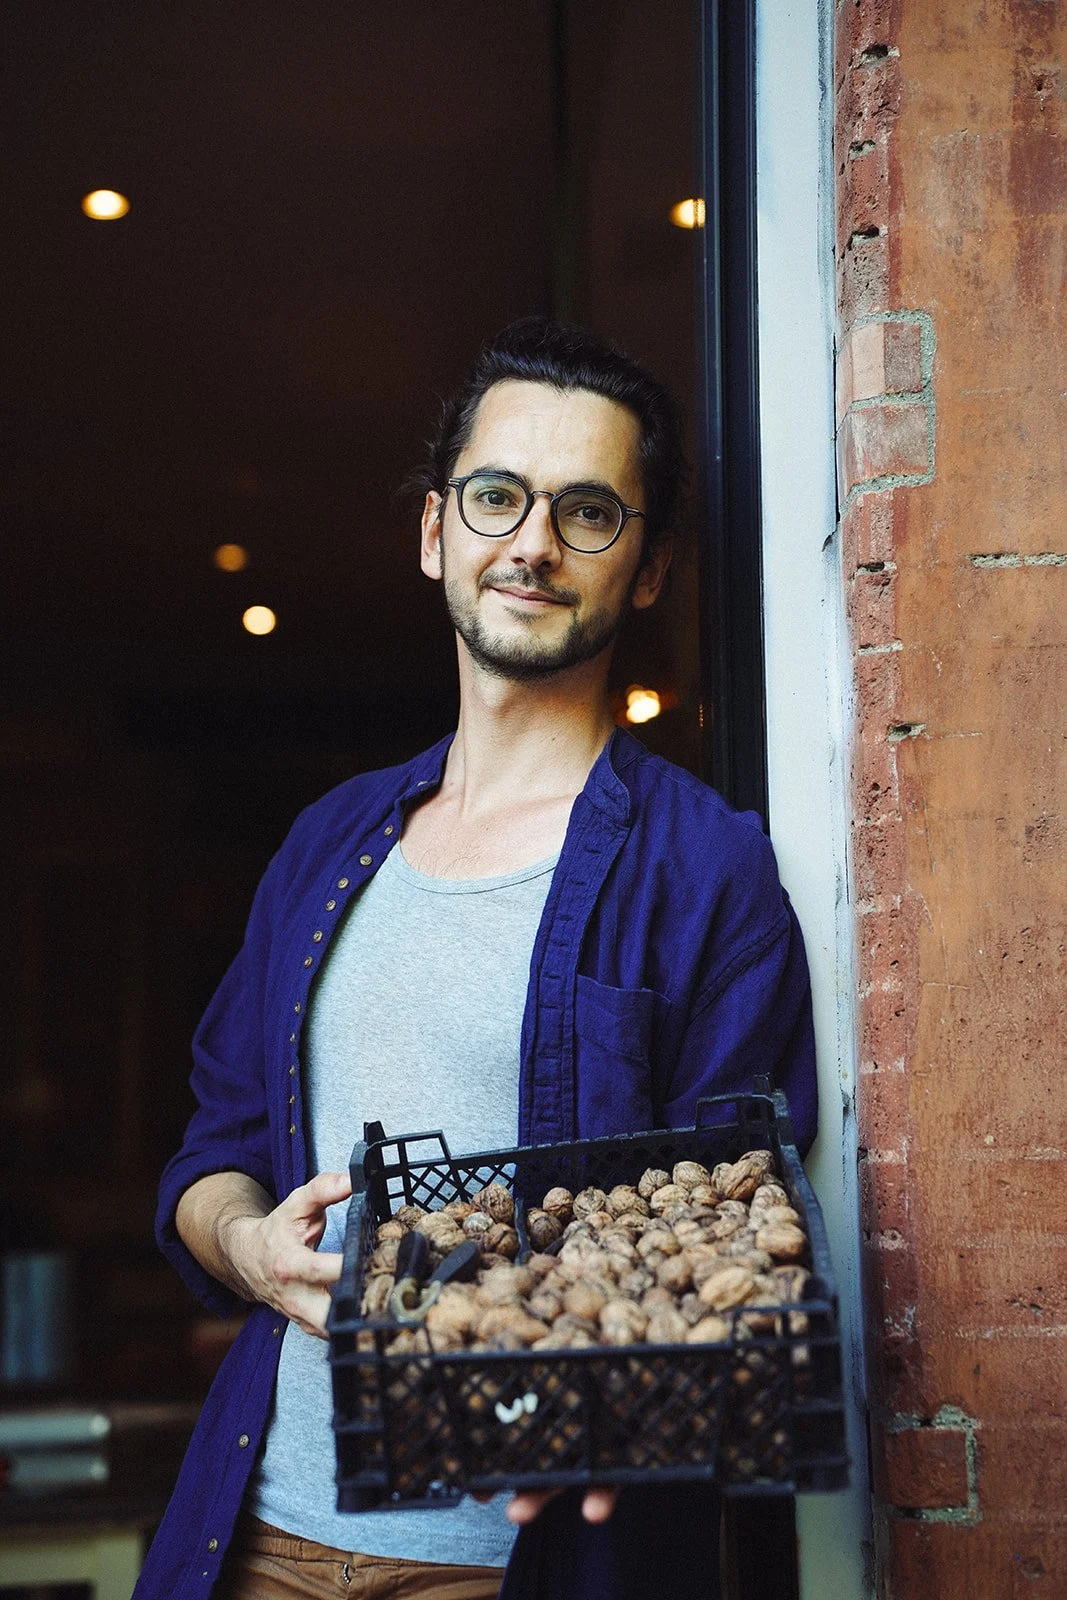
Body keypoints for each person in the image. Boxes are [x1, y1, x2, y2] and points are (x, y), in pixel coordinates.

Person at [133, 317, 817, 1600]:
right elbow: (210, 1151)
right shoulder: (327, 844)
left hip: (519, 1561)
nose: (534, 543)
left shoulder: (704, 870)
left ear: (650, 568)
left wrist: (620, 1397)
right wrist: (248, 1247)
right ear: (436, 530)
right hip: (255, 1535)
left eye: (589, 512)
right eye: (498, 495)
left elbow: (745, 1224)